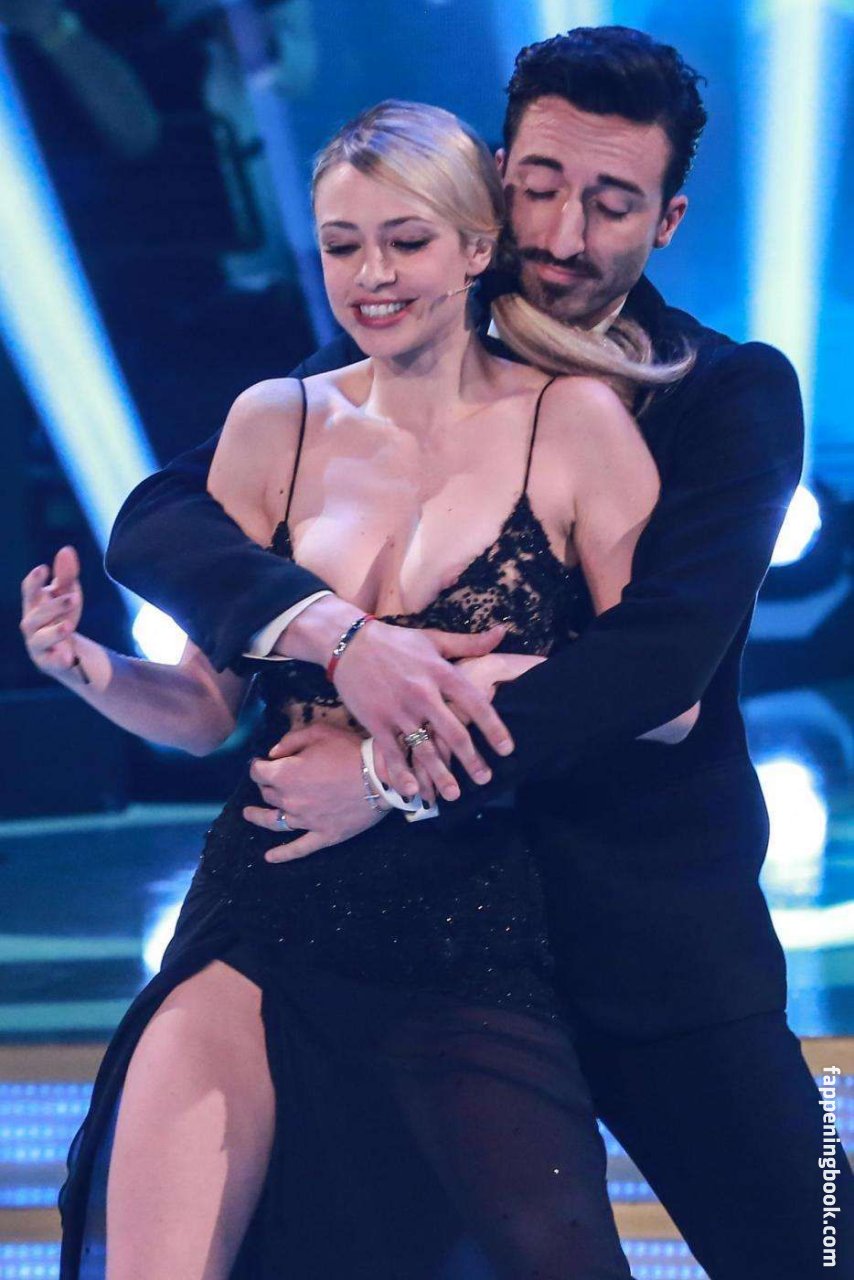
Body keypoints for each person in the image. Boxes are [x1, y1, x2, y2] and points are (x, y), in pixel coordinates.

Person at [97, 27, 854, 1280]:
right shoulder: (412, 330)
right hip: (426, 951)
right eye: (539, 186)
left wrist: (388, 767)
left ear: (665, 221)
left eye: (610, 203)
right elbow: (162, 519)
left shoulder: (726, 393)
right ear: (498, 179)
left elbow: (659, 663)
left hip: (649, 946)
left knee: (817, 1239)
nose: (561, 232)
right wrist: (335, 635)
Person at [22, 100, 695, 1278]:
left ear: (476, 246)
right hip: (260, 899)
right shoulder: (272, 423)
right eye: (342, 246)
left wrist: (467, 687)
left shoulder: (573, 420)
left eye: (404, 240)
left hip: (467, 915)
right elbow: (205, 709)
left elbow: (662, 693)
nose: (370, 276)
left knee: (550, 1252)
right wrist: (90, 669)